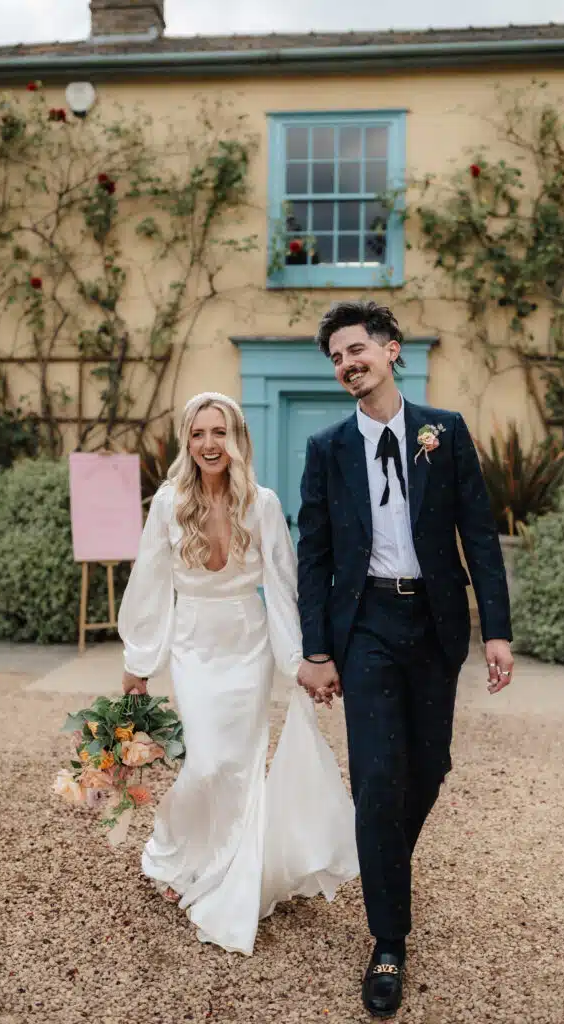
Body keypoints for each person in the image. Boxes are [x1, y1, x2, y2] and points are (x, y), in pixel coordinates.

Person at [296, 301, 514, 1018]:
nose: (346, 364)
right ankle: (388, 940)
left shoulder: (442, 432)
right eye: (336, 357)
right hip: (364, 625)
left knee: (429, 766)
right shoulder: (327, 448)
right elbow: (314, 553)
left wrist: (496, 631)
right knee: (378, 777)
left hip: (434, 621)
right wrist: (316, 649)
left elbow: (477, 534)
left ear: (391, 350)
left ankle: (380, 852)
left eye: (355, 349)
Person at [117, 391, 358, 956]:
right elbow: (149, 581)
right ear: (187, 441)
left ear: (237, 439)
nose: (209, 444)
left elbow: (282, 585)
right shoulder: (169, 503)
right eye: (198, 433)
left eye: (219, 432)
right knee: (205, 762)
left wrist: (299, 661)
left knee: (241, 765)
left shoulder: (263, 504)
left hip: (249, 647)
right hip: (194, 646)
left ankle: (228, 868)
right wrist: (139, 663)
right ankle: (181, 853)